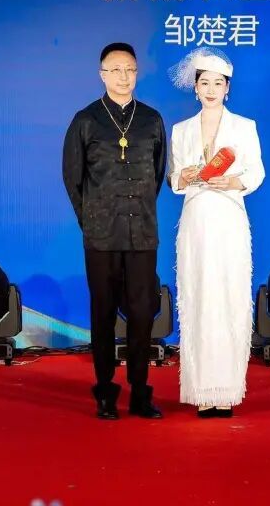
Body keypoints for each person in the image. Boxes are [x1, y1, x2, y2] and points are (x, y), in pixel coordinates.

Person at [62, 43, 167, 419]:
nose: (124, 77)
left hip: (142, 232)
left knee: (142, 313)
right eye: (116, 70)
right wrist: (91, 219)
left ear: (137, 73)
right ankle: (105, 391)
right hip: (101, 235)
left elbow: (157, 174)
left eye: (130, 70)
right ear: (102, 74)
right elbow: (73, 178)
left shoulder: (152, 120)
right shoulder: (86, 120)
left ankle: (140, 392)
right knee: (103, 312)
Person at [167, 48, 265, 417]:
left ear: (228, 88)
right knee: (197, 296)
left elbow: (256, 171)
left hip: (228, 216)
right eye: (204, 83)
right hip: (196, 218)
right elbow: (174, 178)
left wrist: (234, 181)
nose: (211, 89)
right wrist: (184, 175)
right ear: (195, 89)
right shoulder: (181, 130)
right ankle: (201, 391)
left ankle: (227, 390)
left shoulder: (244, 126)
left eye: (218, 83)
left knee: (229, 295)